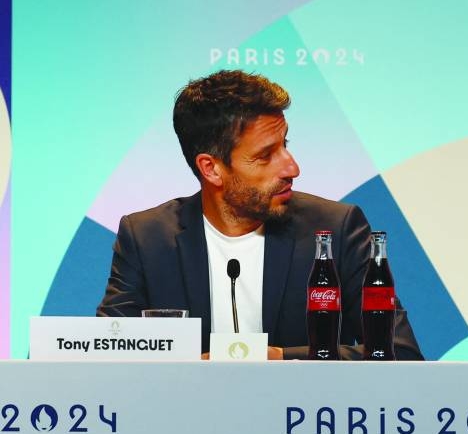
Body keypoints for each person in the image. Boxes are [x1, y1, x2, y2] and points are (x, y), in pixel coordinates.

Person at [97, 70, 423, 360]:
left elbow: (399, 351)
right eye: (266, 155)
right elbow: (110, 355)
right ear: (211, 168)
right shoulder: (146, 237)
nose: (291, 167)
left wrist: (279, 359)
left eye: (285, 145)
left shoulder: (335, 229)